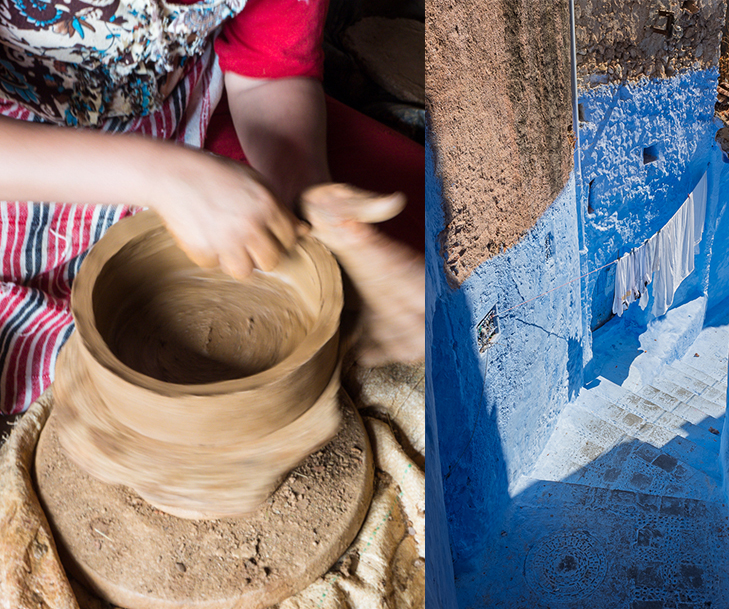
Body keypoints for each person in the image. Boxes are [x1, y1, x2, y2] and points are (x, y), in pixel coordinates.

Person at [0, 0, 424, 415]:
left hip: (172, 120)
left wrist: (306, 197)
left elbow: (268, 73)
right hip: (23, 150)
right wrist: (158, 175)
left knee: (427, 230)